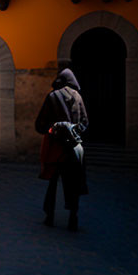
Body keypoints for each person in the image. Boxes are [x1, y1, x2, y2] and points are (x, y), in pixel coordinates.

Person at [35, 68, 89, 231]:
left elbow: (40, 125)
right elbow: (85, 123)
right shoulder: (78, 97)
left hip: (56, 148)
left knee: (53, 183)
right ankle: (73, 218)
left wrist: (54, 129)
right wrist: (73, 132)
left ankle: (50, 216)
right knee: (74, 183)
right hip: (73, 148)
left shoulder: (52, 96)